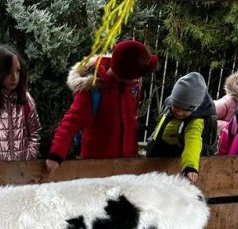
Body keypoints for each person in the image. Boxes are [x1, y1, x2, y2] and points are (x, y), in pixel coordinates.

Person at [46, 39, 158, 176]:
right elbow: (70, 123)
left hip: (127, 164)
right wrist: (56, 155)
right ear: (127, 75)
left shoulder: (132, 87)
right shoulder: (93, 91)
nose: (139, 78)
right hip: (97, 166)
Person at [145, 72, 216, 184]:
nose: (178, 111)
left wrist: (190, 166)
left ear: (194, 108)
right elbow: (159, 128)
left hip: (174, 165)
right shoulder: (169, 106)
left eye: (184, 109)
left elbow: (193, 141)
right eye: (176, 106)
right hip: (155, 159)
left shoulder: (196, 120)